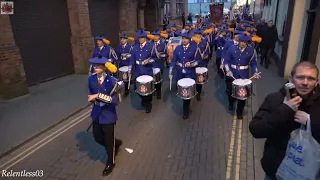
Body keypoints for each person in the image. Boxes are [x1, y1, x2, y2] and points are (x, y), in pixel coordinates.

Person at [249, 61, 320, 180]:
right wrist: (284, 110)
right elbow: (256, 129)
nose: (305, 83)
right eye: (300, 77)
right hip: (275, 170)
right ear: (291, 79)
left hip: (307, 172)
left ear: (316, 82)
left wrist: (310, 122)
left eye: (311, 79)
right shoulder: (275, 99)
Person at [87, 56, 123, 176]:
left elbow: (116, 100)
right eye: (94, 65)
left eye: (98, 65)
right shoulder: (91, 79)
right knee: (97, 137)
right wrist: (92, 99)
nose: (95, 67)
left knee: (108, 141)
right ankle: (115, 144)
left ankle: (110, 162)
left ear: (104, 67)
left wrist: (98, 96)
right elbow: (91, 94)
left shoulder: (112, 81)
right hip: (97, 112)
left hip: (108, 114)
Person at [224, 33, 260, 119]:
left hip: (244, 75)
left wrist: (255, 72)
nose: (243, 43)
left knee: (242, 95)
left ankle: (239, 112)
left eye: (245, 42)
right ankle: (231, 103)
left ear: (247, 42)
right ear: (239, 41)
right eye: (241, 41)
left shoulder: (251, 50)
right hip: (232, 73)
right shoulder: (232, 48)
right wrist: (228, 70)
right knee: (230, 92)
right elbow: (226, 61)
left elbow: (254, 63)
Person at [169, 32, 201, 119]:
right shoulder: (178, 48)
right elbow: (173, 61)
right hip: (180, 73)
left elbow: (198, 61)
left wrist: (191, 64)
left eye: (186, 39)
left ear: (189, 40)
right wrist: (170, 72)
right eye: (183, 38)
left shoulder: (194, 48)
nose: (184, 40)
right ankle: (186, 106)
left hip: (190, 74)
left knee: (186, 94)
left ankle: (185, 110)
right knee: (182, 92)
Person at [128, 29, 155, 113]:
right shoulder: (135, 47)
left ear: (145, 38)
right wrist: (129, 71)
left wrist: (149, 61)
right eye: (139, 37)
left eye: (142, 37)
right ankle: (144, 100)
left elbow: (155, 58)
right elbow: (132, 60)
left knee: (148, 89)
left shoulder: (151, 46)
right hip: (138, 71)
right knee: (137, 89)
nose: (140, 39)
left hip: (147, 71)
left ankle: (148, 104)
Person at [192, 28, 210, 101]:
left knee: (200, 80)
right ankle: (193, 90)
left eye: (199, 34)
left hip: (202, 63)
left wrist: (205, 56)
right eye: (196, 34)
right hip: (193, 64)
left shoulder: (205, 43)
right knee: (192, 78)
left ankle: (198, 93)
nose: (197, 36)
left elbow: (208, 53)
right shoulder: (191, 42)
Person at [151, 30, 168, 99]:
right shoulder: (150, 44)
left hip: (159, 64)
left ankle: (158, 92)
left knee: (158, 79)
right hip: (151, 64)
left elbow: (166, 54)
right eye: (154, 36)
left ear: (159, 37)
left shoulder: (163, 44)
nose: (155, 37)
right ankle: (153, 89)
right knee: (152, 78)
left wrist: (163, 56)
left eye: (157, 36)